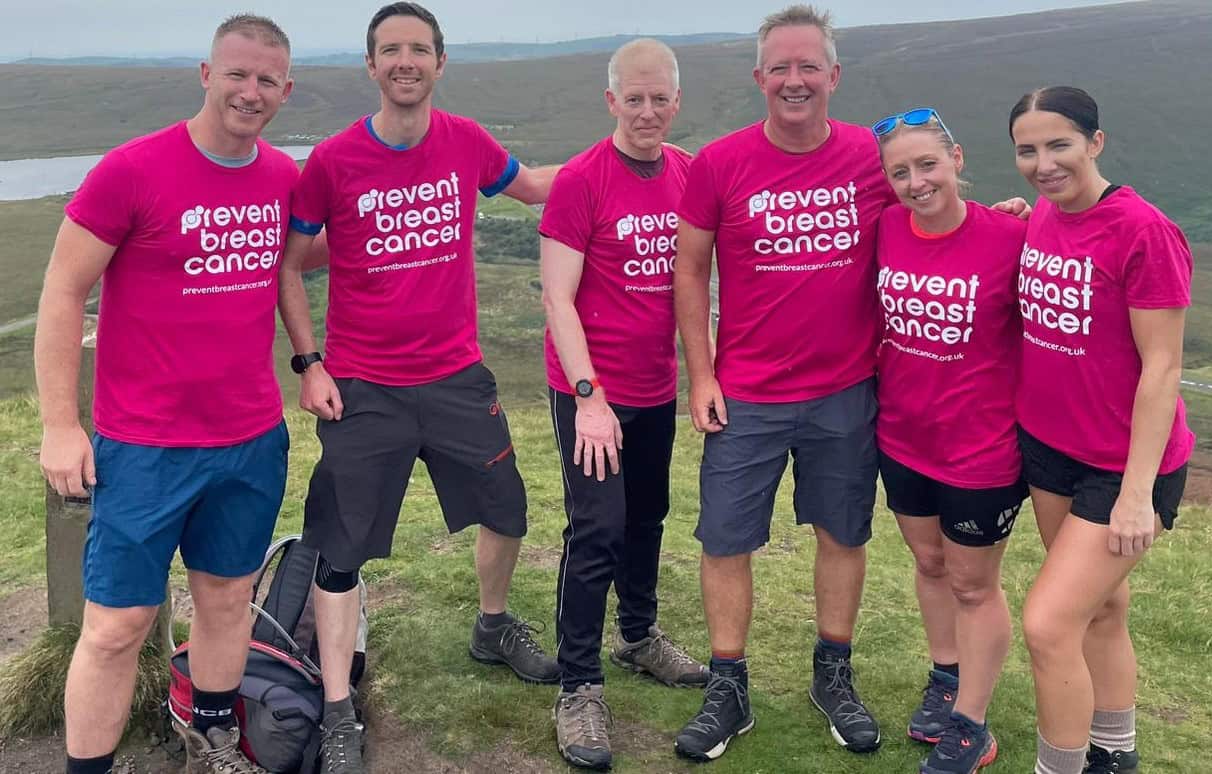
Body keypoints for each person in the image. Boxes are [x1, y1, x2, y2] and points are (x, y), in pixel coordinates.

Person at [278, 4, 562, 771]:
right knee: (341, 551)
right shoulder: (333, 161)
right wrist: (310, 366)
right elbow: (290, 265)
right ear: (371, 67)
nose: (405, 61)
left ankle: (494, 626)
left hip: (458, 379)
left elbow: (532, 186)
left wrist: (634, 154)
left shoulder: (464, 140)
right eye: (390, 50)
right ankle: (338, 707)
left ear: (441, 61)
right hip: (365, 389)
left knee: (508, 512)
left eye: (418, 49)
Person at [35, 15, 298, 774]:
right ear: (205, 74)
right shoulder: (132, 170)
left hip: (249, 440)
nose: (251, 91)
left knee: (224, 602)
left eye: (267, 80)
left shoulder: (281, 177)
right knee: (118, 626)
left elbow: (299, 261)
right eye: (238, 74)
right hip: (143, 448)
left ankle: (211, 739)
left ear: (287, 89)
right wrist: (60, 424)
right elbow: (63, 291)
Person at [670, 5, 896, 761]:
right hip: (748, 393)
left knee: (842, 532)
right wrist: (701, 374)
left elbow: (934, 219)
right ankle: (728, 686)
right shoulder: (719, 163)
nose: (793, 81)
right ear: (759, 77)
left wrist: (1000, 218)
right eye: (780, 68)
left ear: (833, 76)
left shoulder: (873, 155)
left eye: (808, 67)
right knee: (726, 539)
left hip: (845, 390)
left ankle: (833, 672)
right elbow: (691, 268)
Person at [1009, 86, 1194, 774]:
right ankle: (1114, 752)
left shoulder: (1143, 230)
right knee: (1102, 608)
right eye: (1027, 150)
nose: (1043, 162)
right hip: (1050, 449)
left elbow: (1163, 367)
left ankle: (1059, 767)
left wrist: (1137, 494)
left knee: (1048, 623)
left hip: (1122, 466)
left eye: (1058, 144)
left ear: (1096, 142)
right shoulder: (1042, 219)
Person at [540, 38, 709, 770]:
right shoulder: (583, 179)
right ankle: (577, 686)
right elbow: (558, 296)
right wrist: (588, 398)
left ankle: (637, 636)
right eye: (633, 98)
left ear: (677, 103)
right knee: (598, 527)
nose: (647, 111)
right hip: (591, 393)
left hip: (655, 386)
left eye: (659, 99)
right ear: (612, 101)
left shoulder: (689, 175)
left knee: (648, 516)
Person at [872, 107, 1028, 773]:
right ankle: (945, 678)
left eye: (927, 165)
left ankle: (972, 722)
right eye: (900, 172)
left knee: (973, 583)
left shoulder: (1011, 236)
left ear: (957, 159)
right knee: (931, 564)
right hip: (903, 436)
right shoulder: (883, 227)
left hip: (982, 448)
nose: (916, 181)